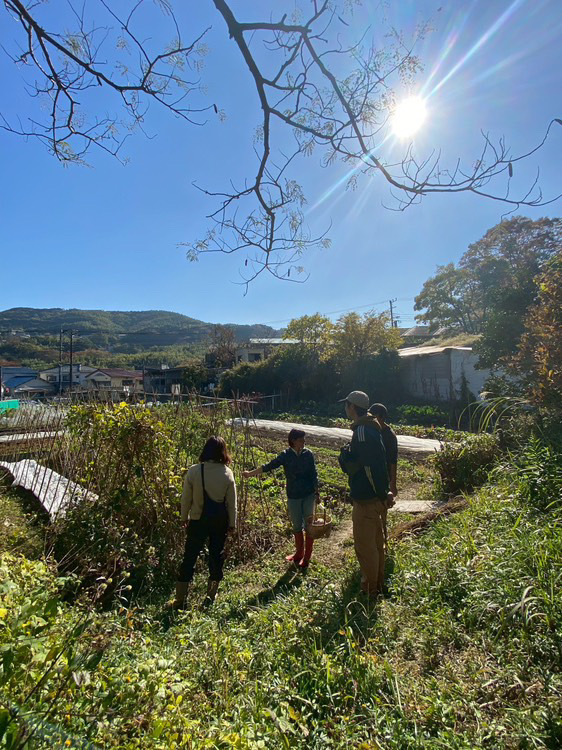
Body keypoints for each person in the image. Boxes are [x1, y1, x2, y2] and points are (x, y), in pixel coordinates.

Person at [338, 390, 393, 597]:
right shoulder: (371, 428)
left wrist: (380, 494)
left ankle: (370, 589)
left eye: (346, 405)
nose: (345, 408)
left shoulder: (361, 431)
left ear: (352, 407)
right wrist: (384, 492)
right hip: (375, 497)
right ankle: (378, 583)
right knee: (376, 544)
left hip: (367, 500)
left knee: (365, 547)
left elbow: (370, 468)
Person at [171, 436, 237, 609]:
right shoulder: (227, 473)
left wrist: (183, 517)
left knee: (189, 557)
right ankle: (210, 596)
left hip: (197, 519)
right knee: (216, 557)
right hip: (220, 521)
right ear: (223, 452)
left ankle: (180, 599)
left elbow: (186, 499)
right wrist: (232, 524)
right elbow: (232, 503)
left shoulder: (194, 471)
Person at [243, 428, 318, 568]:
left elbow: (314, 473)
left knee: (309, 526)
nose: (304, 442)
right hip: (293, 495)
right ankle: (299, 554)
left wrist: (316, 491)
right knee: (296, 526)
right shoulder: (286, 455)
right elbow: (269, 466)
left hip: (308, 494)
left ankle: (307, 558)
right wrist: (250, 473)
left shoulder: (308, 454)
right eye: (301, 440)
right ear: (293, 441)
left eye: (304, 440)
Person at [369, 402, 398, 549]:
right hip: (374, 474)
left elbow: (393, 460)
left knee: (383, 506)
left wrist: (393, 483)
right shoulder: (373, 430)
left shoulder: (389, 435)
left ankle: (384, 538)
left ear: (380, 417)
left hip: (385, 476)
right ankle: (376, 537)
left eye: (373, 417)